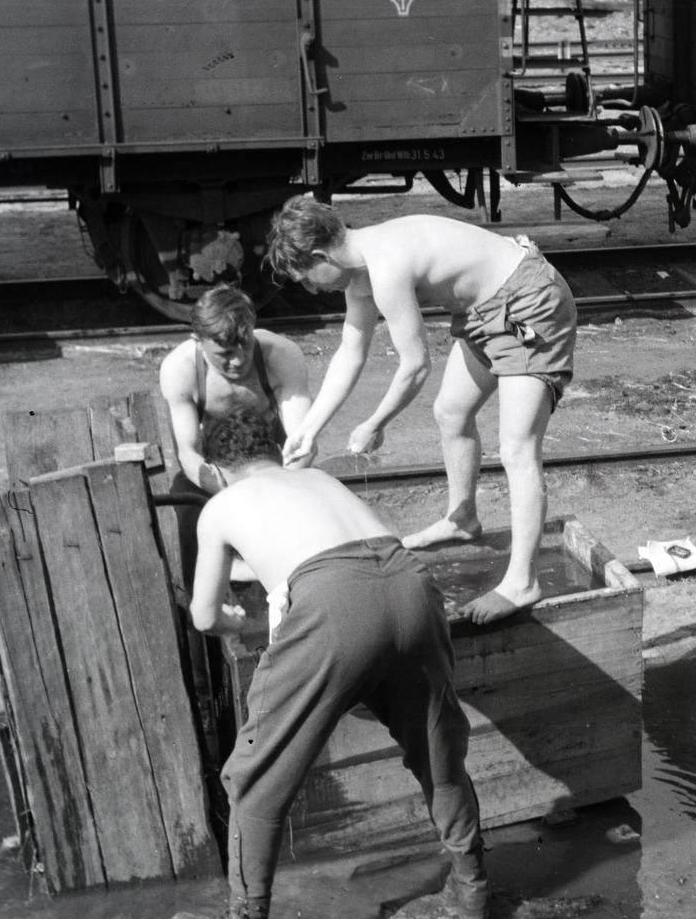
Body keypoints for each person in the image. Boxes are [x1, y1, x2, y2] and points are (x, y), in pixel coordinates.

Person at [190, 409, 487, 919]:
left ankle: (245, 912)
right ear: (275, 451)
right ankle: (472, 889)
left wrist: (240, 625)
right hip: (411, 583)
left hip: (334, 601)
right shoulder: (317, 476)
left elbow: (202, 615)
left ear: (216, 471)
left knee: (253, 779)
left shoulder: (219, 505)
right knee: (437, 753)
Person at [265, 198, 577, 625]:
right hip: (485, 311)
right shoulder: (359, 274)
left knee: (517, 448)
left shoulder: (386, 263)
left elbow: (415, 366)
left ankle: (522, 581)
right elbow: (350, 353)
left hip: (529, 302)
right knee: (451, 413)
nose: (312, 290)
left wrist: (376, 422)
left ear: (321, 256)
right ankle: (462, 518)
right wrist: (309, 430)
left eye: (307, 278)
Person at [158, 285, 311, 495]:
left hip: (277, 469)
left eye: (247, 345)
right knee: (188, 507)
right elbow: (188, 452)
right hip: (217, 474)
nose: (239, 360)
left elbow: (303, 442)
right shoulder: (180, 369)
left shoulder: (282, 355)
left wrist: (279, 490)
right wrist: (228, 496)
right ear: (199, 343)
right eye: (225, 353)